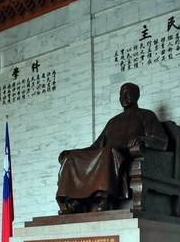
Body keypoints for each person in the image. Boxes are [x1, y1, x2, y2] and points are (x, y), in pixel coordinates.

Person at [56, 82, 168, 214]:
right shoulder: (113, 121)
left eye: (127, 93)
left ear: (137, 95)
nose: (124, 97)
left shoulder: (146, 115)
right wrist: (73, 152)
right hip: (107, 152)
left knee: (108, 151)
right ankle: (74, 203)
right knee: (73, 157)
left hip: (126, 153)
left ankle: (105, 200)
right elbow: (96, 146)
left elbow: (162, 141)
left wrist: (143, 139)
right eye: (121, 94)